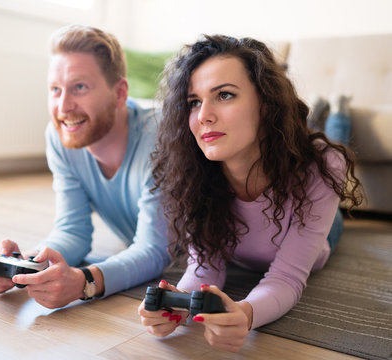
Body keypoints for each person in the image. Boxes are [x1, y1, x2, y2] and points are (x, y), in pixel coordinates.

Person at [138, 35, 363, 352]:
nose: (204, 116)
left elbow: (286, 278)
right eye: (194, 102)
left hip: (323, 228)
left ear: (266, 104)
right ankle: (321, 110)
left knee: (331, 143)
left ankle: (337, 109)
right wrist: (180, 304)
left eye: (225, 95)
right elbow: (204, 269)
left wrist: (245, 313)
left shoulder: (321, 166)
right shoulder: (196, 172)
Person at [0, 25, 169, 309]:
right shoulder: (59, 136)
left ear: (120, 92)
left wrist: (85, 282)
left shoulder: (161, 135)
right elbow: (73, 230)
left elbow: (156, 251)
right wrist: (27, 266)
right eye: (55, 89)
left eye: (80, 87)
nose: (63, 106)